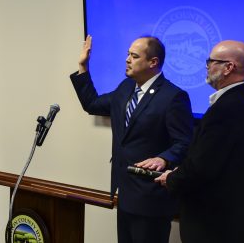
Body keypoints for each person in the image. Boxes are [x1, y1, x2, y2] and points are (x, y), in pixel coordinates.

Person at [70, 35, 193, 243]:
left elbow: (184, 142)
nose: (127, 59)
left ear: (153, 62)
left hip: (151, 198)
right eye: (127, 54)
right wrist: (83, 67)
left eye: (134, 56)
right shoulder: (125, 88)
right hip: (125, 191)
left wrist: (164, 158)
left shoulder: (173, 97)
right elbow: (92, 104)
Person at [156, 40, 244, 243]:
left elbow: (202, 166)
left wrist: (172, 179)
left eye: (211, 61)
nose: (207, 66)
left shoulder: (225, 110)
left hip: (214, 223)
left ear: (229, 67)